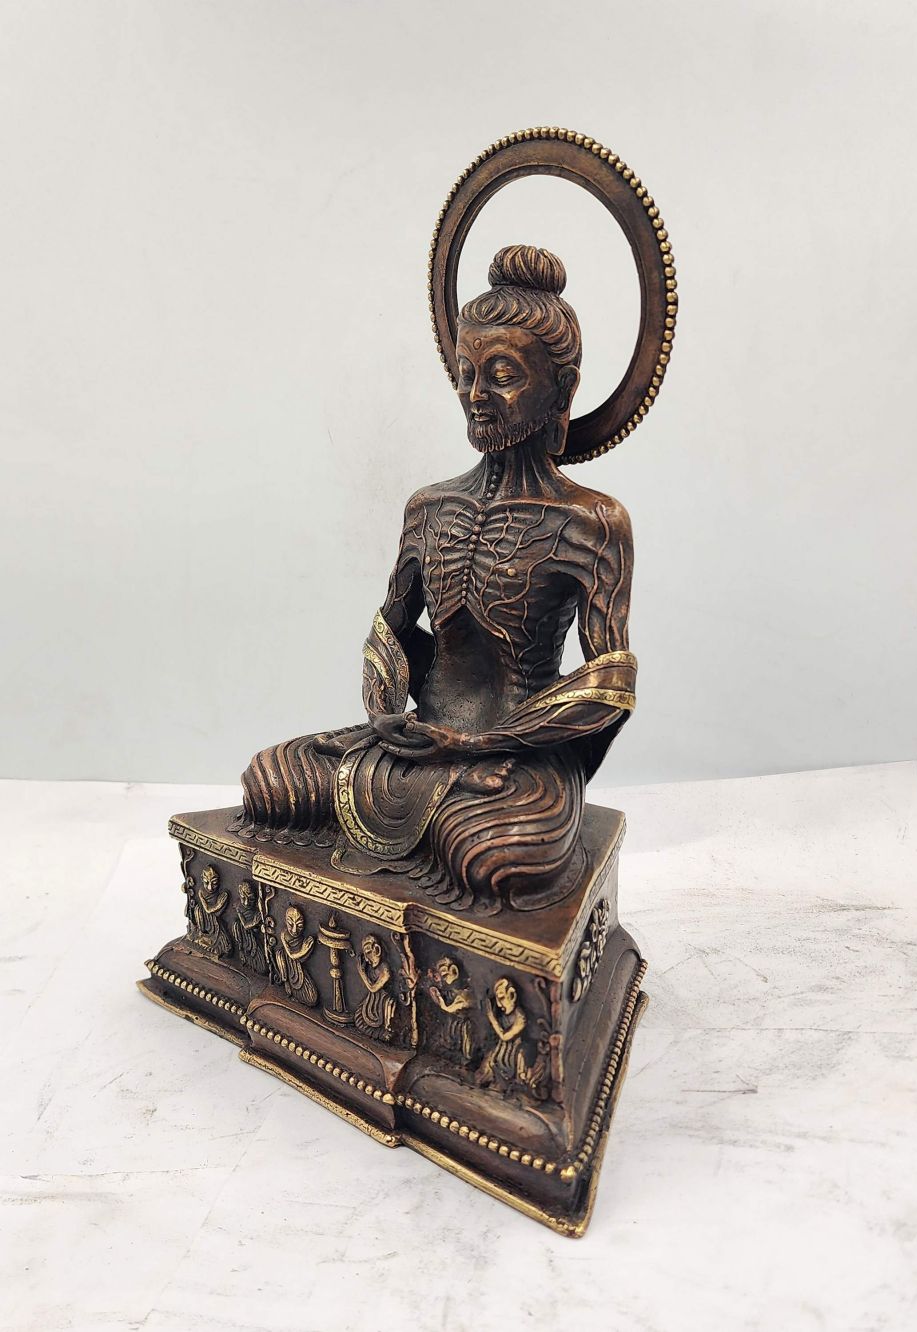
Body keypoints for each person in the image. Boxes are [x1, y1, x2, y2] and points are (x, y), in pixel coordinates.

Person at [230, 244, 636, 911]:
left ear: (561, 389)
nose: (476, 395)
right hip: (414, 744)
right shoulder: (430, 506)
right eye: (467, 372)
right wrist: (385, 711)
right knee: (272, 778)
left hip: (513, 766)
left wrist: (481, 742)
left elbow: (610, 683)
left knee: (500, 852)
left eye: (501, 374)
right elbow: (389, 629)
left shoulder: (590, 522)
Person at [353, 934, 397, 1041]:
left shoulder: (385, 969)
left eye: (368, 953)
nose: (367, 959)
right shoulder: (373, 966)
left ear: (377, 950)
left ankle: (385, 1033)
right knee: (359, 1019)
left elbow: (373, 988)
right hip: (372, 1001)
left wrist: (362, 973)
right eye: (365, 954)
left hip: (383, 1002)